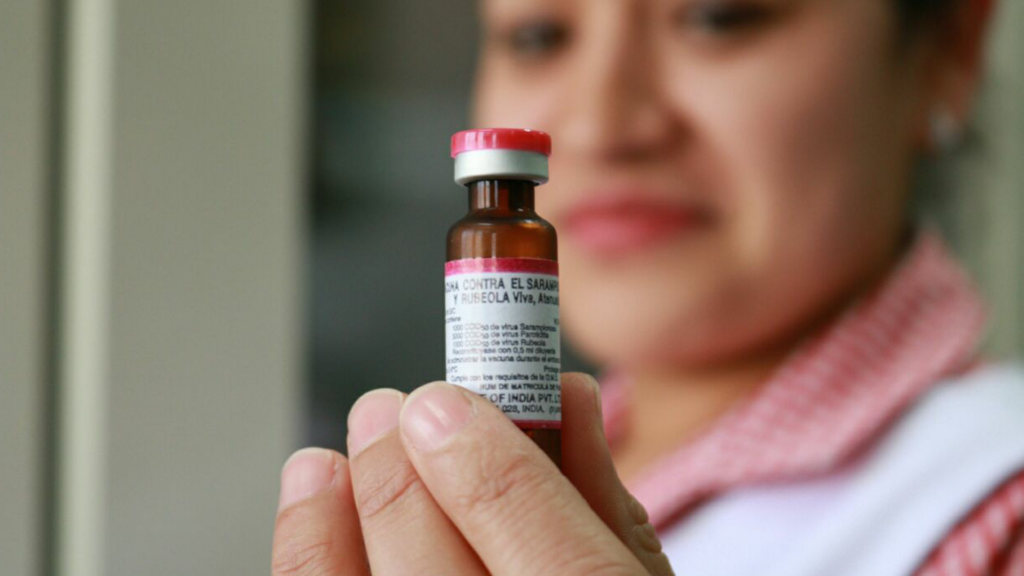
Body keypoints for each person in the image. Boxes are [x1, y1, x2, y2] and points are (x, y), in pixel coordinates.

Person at [272, 0, 1024, 573]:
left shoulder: (996, 514)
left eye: (718, 18)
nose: (601, 127)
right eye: (538, 35)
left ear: (949, 52)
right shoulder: (563, 438)